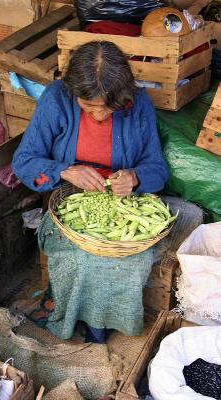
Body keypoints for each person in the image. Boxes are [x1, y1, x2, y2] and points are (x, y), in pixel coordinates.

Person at [12, 41, 169, 343]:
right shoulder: (56, 99)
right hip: (67, 203)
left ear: (122, 96)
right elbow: (24, 161)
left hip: (124, 202)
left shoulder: (138, 104)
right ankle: (85, 322)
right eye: (88, 106)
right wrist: (64, 171)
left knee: (129, 256)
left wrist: (135, 177)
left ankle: (107, 320)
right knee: (82, 256)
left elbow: (158, 168)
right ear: (74, 93)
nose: (98, 115)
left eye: (107, 107)